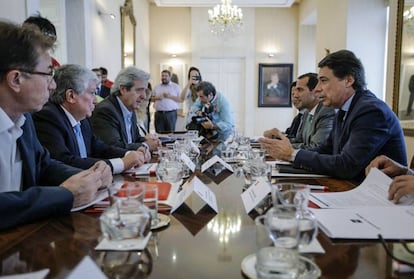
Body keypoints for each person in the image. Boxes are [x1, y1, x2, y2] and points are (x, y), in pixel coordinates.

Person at [0, 21, 112, 230]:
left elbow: (44, 165)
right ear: (16, 79)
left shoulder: (25, 120)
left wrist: (90, 177)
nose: (52, 86)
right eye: (48, 74)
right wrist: (64, 196)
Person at [258, 50, 407, 183]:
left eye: (323, 81)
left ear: (349, 80)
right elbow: (325, 149)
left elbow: (346, 166)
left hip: (382, 199)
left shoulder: (370, 110)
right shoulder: (343, 109)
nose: (317, 89)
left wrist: (292, 154)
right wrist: (287, 152)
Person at [32, 64, 147, 173]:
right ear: (71, 96)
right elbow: (65, 162)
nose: (96, 100)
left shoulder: (82, 118)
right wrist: (121, 163)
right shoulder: (48, 117)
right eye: (92, 93)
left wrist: (129, 154)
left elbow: (99, 148)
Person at [91, 66, 160, 152]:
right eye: (139, 90)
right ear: (123, 89)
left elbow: (135, 139)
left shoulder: (129, 108)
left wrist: (150, 142)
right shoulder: (106, 111)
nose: (144, 96)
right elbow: (113, 147)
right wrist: (146, 145)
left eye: (144, 91)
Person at [264, 73, 335, 149]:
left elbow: (317, 147)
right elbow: (298, 141)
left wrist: (281, 146)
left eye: (300, 90)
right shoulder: (306, 113)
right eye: (294, 92)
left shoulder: (326, 112)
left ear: (316, 92)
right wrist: (275, 140)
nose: (295, 95)